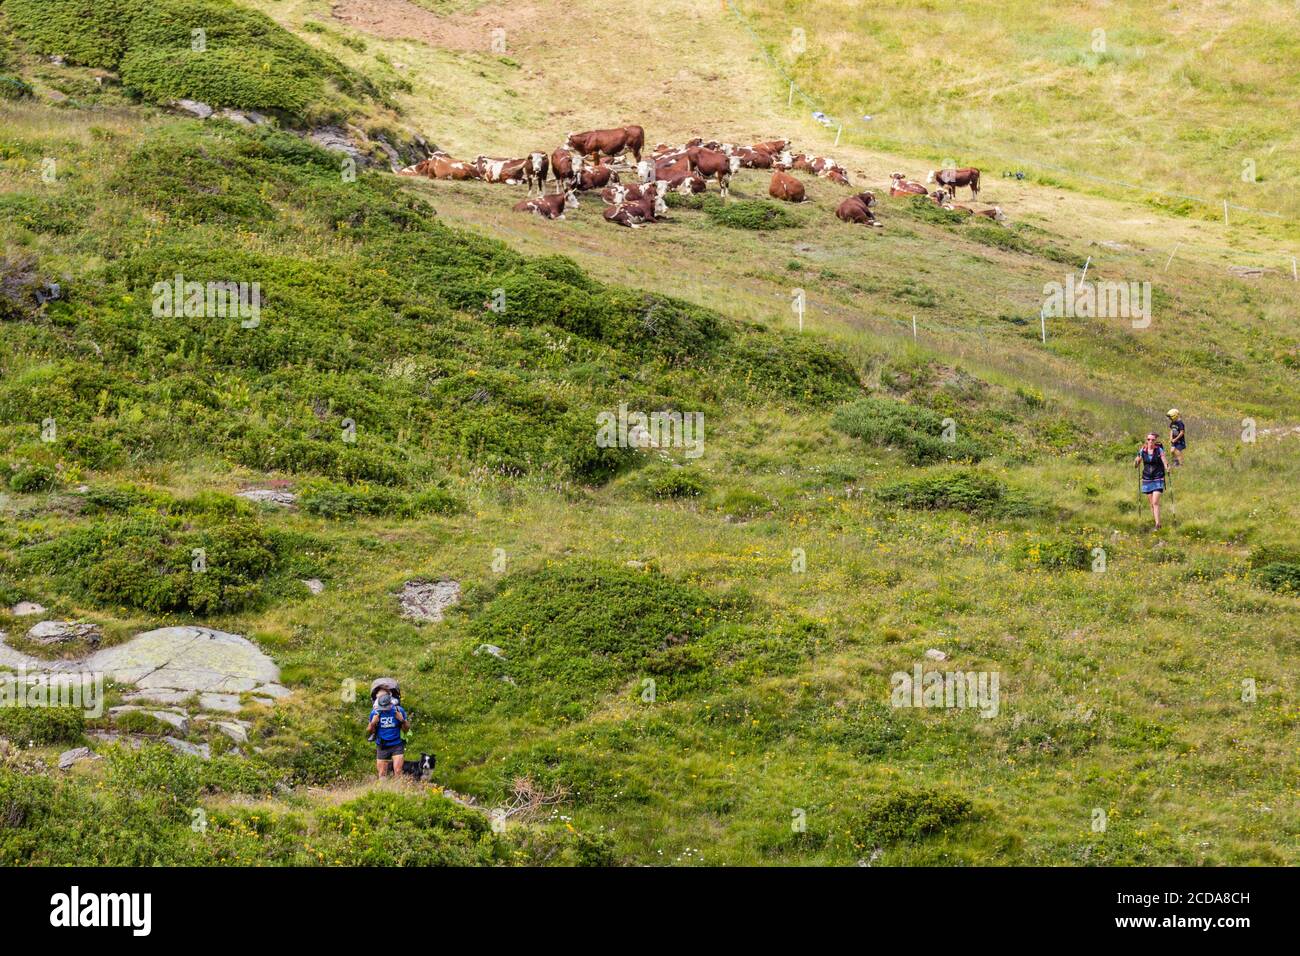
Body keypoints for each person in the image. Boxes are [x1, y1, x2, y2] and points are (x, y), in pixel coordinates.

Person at [367, 691, 409, 778]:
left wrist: (402, 720)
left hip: (397, 744)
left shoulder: (399, 710)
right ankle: (384, 790)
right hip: (382, 745)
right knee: (382, 773)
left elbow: (406, 729)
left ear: (391, 703)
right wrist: (372, 723)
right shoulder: (375, 713)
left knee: (398, 771)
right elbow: (369, 731)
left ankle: (398, 790)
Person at [1134, 432, 1171, 530]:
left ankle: (1158, 524)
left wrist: (1167, 467)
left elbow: (1164, 460)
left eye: (1152, 440)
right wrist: (1136, 461)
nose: (1150, 441)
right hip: (1147, 478)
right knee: (1151, 504)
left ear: (1155, 441)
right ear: (1146, 440)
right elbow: (1136, 465)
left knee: (1155, 502)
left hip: (1158, 477)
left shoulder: (1159, 450)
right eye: (1148, 439)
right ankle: (1155, 521)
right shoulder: (1143, 450)